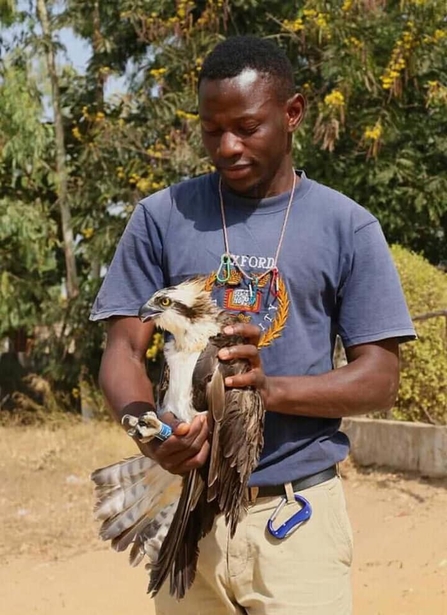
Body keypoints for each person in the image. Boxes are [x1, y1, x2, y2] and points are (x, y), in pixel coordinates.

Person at [90, 35, 415, 615]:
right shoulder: (161, 217)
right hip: (187, 510)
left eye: (247, 127)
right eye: (212, 130)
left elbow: (379, 378)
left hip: (293, 519)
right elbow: (122, 349)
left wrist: (270, 390)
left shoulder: (347, 226)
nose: (228, 146)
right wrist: (149, 430)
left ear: (293, 113)